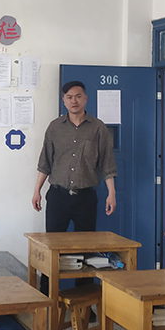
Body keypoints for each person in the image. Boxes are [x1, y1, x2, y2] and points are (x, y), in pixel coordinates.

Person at [32, 81, 118, 300]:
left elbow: (107, 164)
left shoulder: (98, 128)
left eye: (78, 96)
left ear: (85, 98)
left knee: (86, 248)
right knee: (51, 247)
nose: (74, 101)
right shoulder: (54, 127)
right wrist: (37, 191)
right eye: (69, 97)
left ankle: (84, 302)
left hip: (85, 198)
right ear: (64, 100)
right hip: (58, 196)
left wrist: (112, 193)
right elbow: (45, 162)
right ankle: (47, 297)